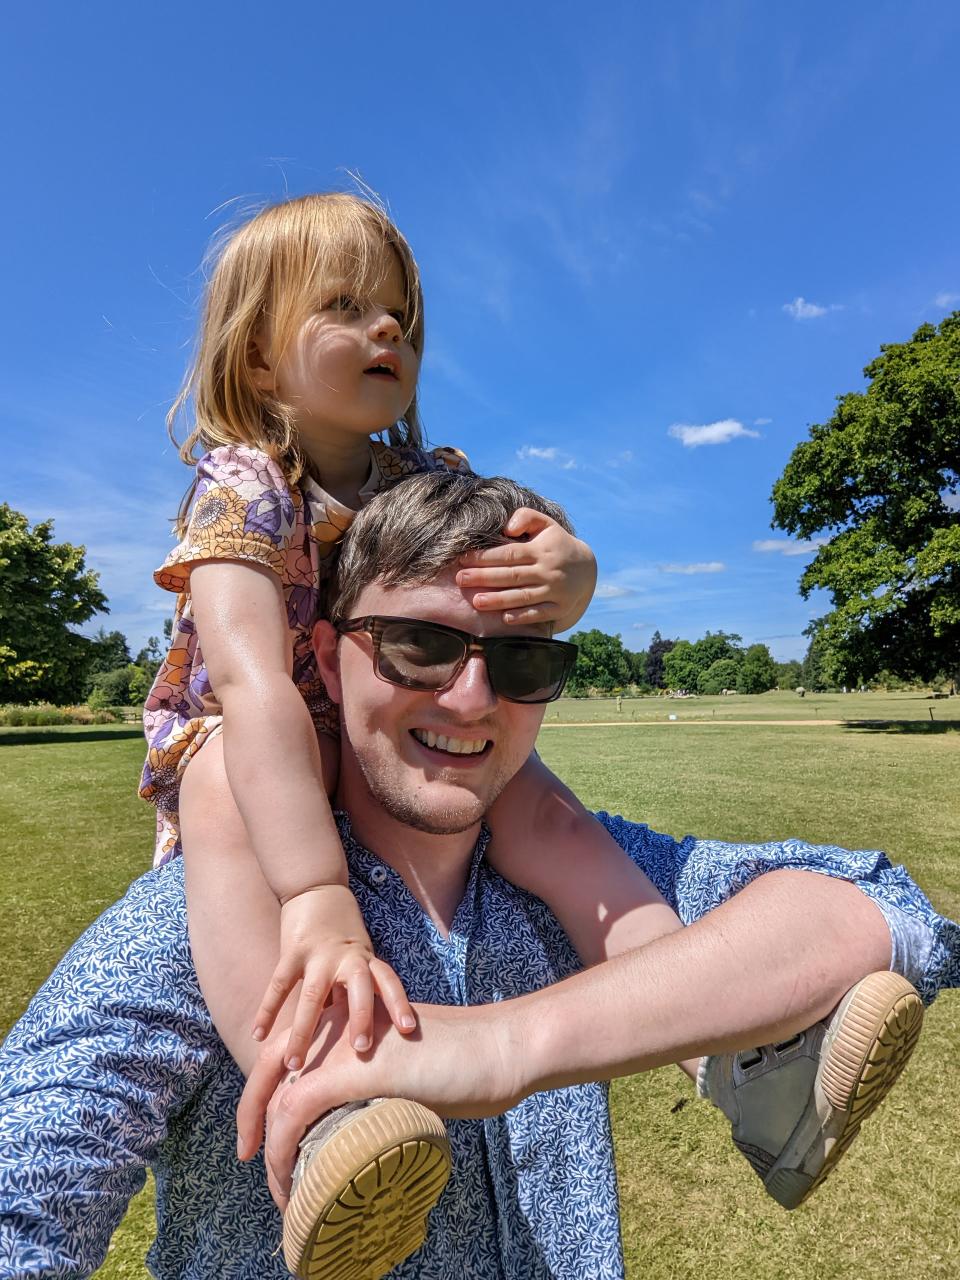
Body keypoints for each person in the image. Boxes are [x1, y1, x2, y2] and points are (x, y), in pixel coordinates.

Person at [1, 473, 956, 1280]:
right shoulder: (227, 921)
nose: (471, 698)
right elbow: (31, 1184)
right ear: (327, 664)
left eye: (522, 659)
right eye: (420, 645)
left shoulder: (580, 876)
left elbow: (884, 911)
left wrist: (498, 1048)